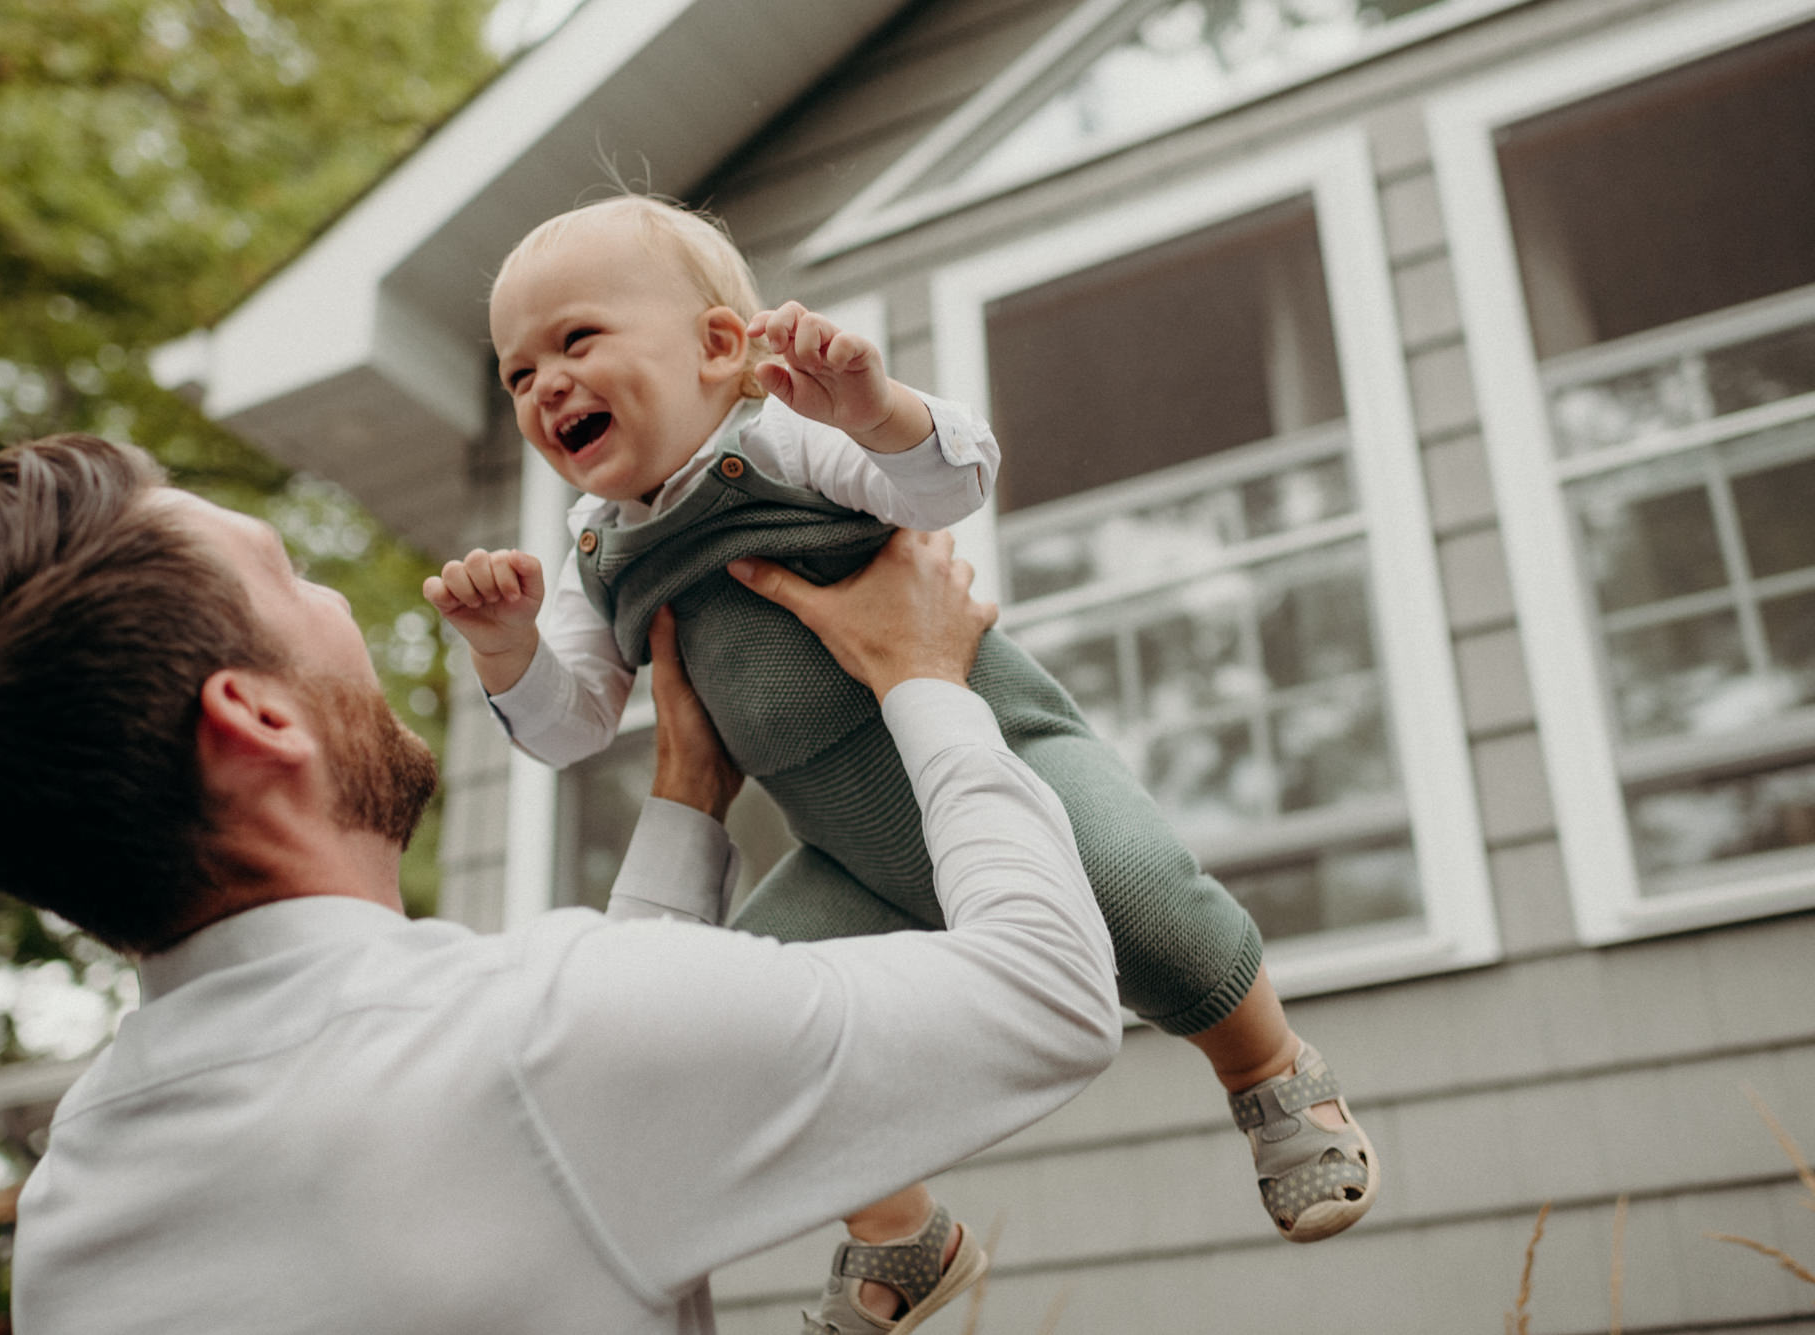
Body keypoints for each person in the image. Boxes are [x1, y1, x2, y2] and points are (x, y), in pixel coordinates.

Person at [0, 433, 1124, 1334]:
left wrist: (683, 800)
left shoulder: (74, 1209)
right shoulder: (538, 1038)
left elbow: (551, 1150)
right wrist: (923, 678)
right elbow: (1049, 991)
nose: (338, 599)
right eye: (290, 578)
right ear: (253, 718)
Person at [425, 194, 1380, 1330]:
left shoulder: (778, 433)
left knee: (1140, 898)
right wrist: (504, 649)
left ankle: (1267, 1072)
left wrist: (875, 410)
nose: (542, 386)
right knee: (735, 1038)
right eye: (516, 372)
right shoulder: (593, 551)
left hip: (1000, 759)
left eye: (575, 341)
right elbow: (569, 727)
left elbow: (946, 489)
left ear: (720, 346)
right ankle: (902, 1230)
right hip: (843, 850)